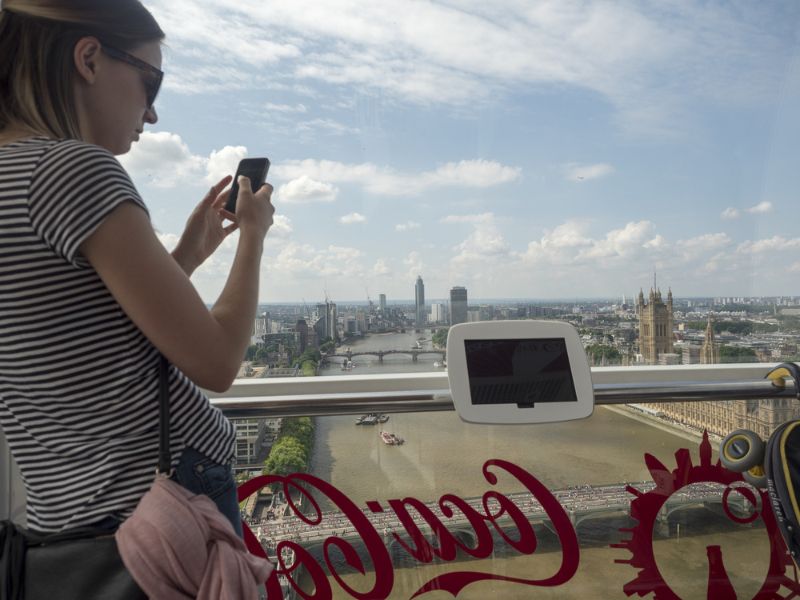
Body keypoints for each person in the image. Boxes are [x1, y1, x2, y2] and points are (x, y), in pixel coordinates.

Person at [0, 0, 274, 539]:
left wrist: (187, 258)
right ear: (88, 59)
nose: (152, 114)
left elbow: (81, 332)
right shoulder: (71, 169)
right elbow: (218, 363)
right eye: (152, 83)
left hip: (70, 513)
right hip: (160, 509)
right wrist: (254, 237)